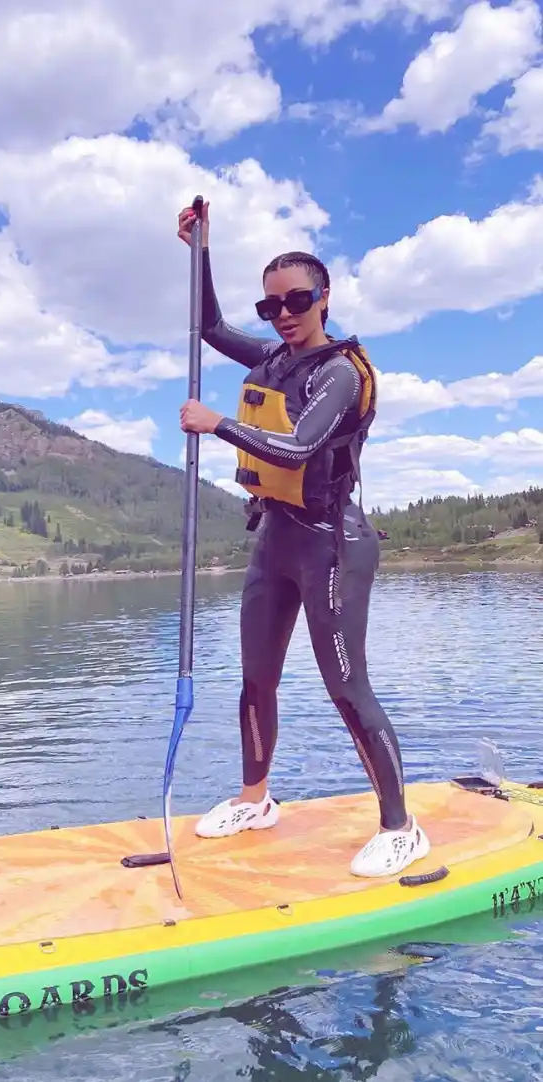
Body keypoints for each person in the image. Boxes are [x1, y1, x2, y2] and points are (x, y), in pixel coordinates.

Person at [175, 200, 429, 878]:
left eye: (297, 300)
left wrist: (215, 423)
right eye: (271, 306)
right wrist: (200, 250)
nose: (283, 313)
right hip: (275, 541)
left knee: (347, 687)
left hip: (332, 545)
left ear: (324, 298)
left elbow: (297, 447)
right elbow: (205, 326)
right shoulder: (274, 357)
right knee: (256, 677)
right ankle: (256, 799)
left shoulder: (339, 373)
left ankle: (401, 827)